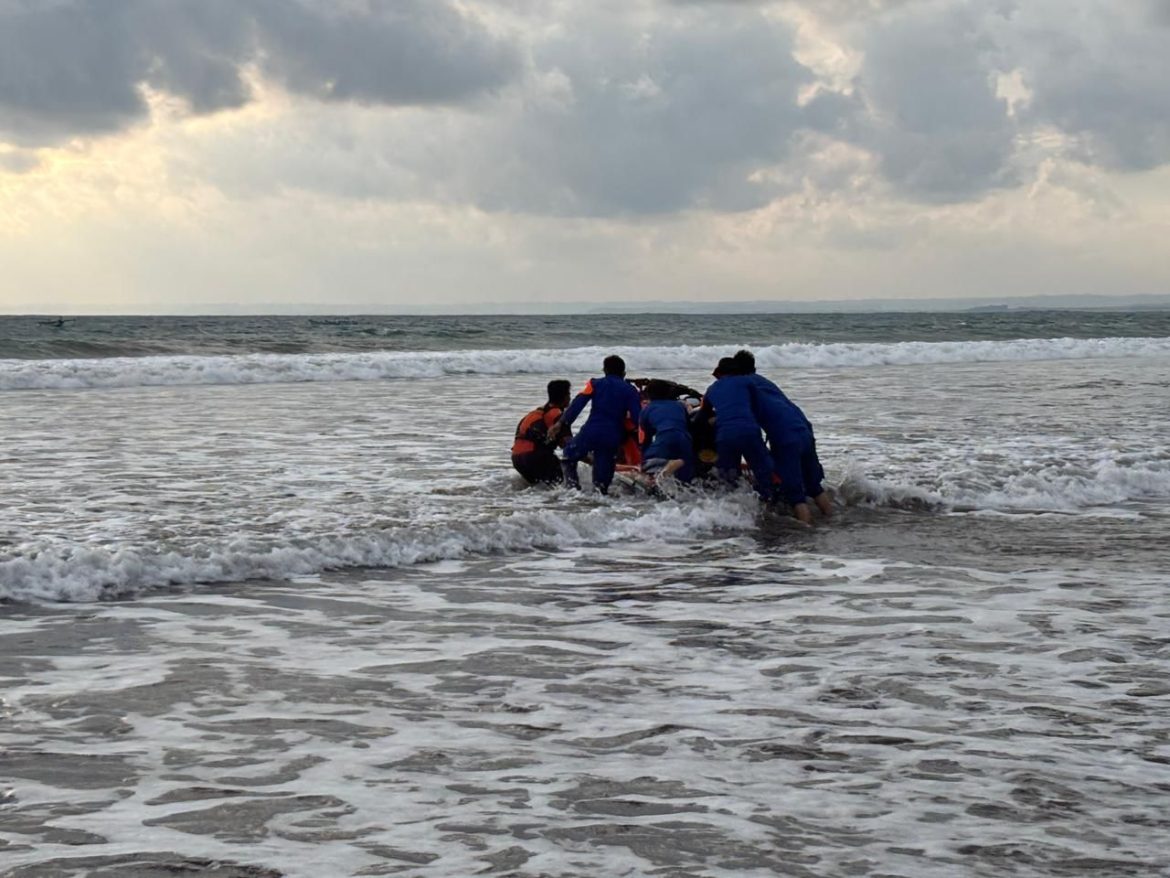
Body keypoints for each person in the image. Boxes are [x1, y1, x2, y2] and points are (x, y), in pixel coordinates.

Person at [732, 349, 832, 523]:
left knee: (795, 495)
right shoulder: (764, 381)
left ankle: (808, 536)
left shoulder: (742, 385)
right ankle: (831, 521)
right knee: (813, 485)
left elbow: (742, 419)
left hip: (786, 437)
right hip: (804, 429)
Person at [554, 355, 642, 494]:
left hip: (591, 432)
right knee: (601, 484)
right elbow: (638, 417)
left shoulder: (594, 384)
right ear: (624, 373)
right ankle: (599, 504)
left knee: (568, 457)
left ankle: (572, 491)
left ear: (604, 370)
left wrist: (561, 422)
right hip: (612, 436)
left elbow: (578, 403)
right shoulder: (630, 390)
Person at [701, 357, 775, 498]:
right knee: (762, 470)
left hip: (725, 436)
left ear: (720, 372)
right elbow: (758, 408)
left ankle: (732, 510)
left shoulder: (711, 389)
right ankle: (767, 503)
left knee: (727, 478)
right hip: (749, 431)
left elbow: (703, 415)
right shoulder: (747, 382)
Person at [511, 380, 572, 484]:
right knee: (561, 486)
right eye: (569, 394)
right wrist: (593, 461)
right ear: (565, 397)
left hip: (517, 458)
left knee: (540, 489)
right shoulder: (557, 415)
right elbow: (568, 446)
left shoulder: (535, 413)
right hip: (535, 456)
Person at [639, 379, 695, 484]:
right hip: (684, 439)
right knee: (686, 479)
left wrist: (643, 459)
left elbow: (647, 438)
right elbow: (688, 425)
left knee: (650, 464)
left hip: (665, 437)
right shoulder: (679, 406)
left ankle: (657, 478)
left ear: (648, 394)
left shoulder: (647, 410)